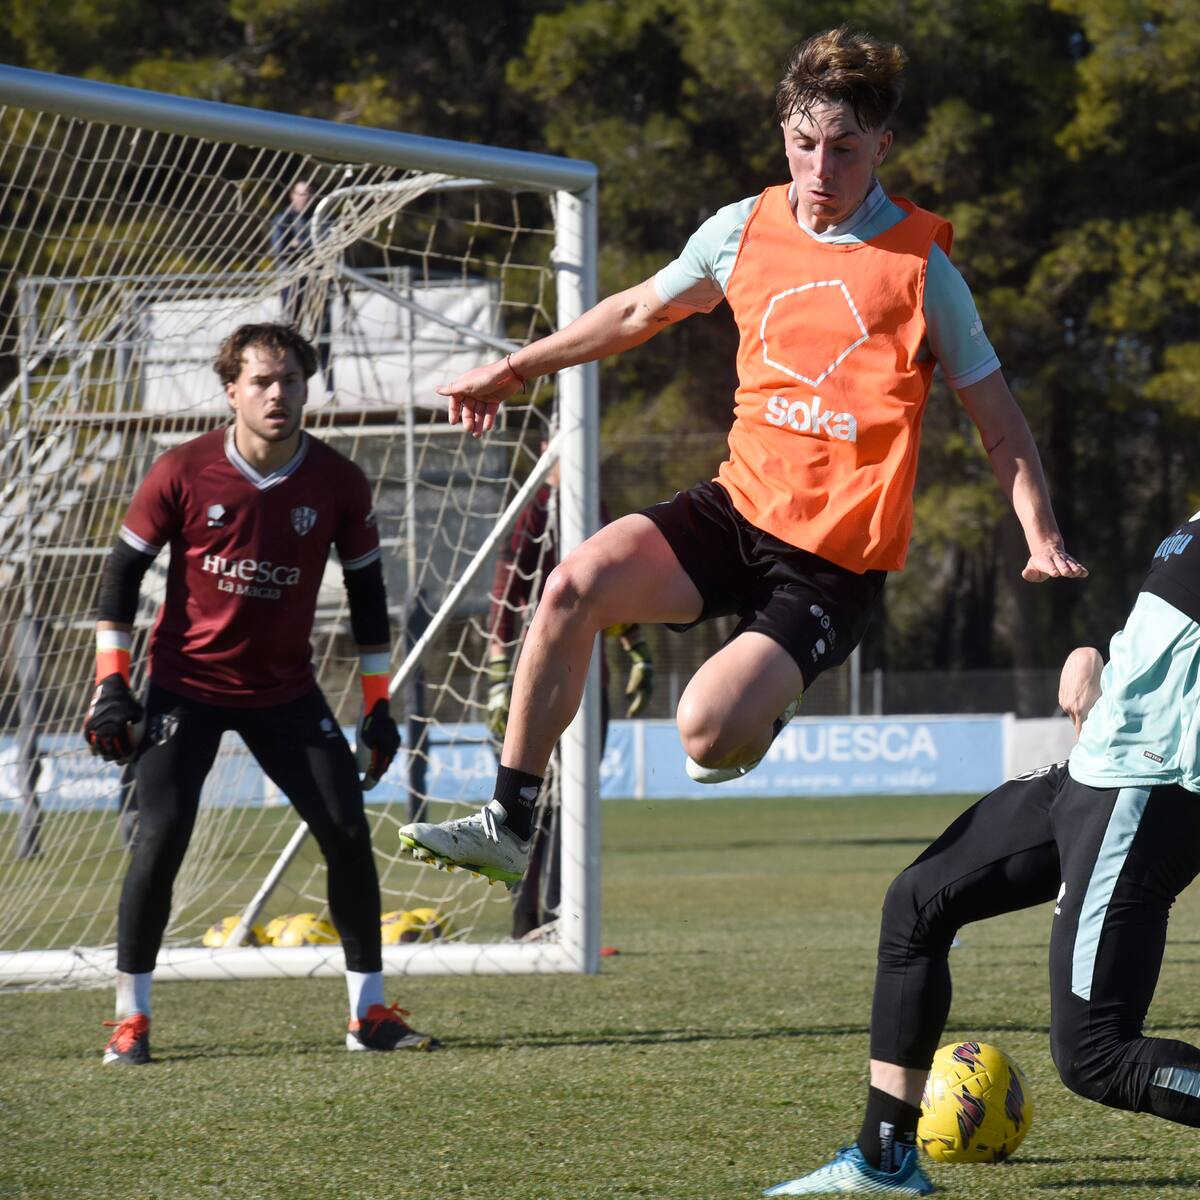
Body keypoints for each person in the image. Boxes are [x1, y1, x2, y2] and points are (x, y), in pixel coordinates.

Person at [397, 27, 1086, 885]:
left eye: (843, 148)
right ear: (783, 136)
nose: (820, 169)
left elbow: (1000, 419)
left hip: (831, 564)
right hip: (736, 508)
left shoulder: (921, 268)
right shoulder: (741, 229)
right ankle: (512, 816)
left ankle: (767, 705)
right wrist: (512, 368)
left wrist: (1040, 534)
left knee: (704, 735)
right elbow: (633, 314)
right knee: (572, 586)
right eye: (804, 144)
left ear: (882, 146)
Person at [768, 510, 1200, 1195]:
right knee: (916, 905)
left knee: (1096, 1055)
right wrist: (1096, 658)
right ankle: (884, 1164)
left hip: (1144, 788)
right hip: (1089, 768)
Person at [84, 322, 435, 1064]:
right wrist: (111, 689)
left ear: (308, 388)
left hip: (285, 692)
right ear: (232, 390)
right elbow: (116, 582)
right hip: (186, 687)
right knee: (160, 838)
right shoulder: (181, 470)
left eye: (292, 382)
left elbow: (370, 601)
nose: (279, 394)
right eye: (263, 382)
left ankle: (369, 1014)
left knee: (345, 830)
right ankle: (131, 1019)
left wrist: (378, 705)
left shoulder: (338, 481)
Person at [485, 442, 653, 933]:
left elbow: (611, 589)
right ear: (547, 446)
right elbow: (505, 596)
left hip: (591, 682)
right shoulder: (532, 511)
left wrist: (636, 648)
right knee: (526, 800)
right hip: (535, 682)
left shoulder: (595, 507)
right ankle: (524, 917)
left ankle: (563, 917)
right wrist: (500, 684)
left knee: (571, 802)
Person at [270, 180, 334, 392]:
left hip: (318, 285)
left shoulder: (320, 218)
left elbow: (326, 248)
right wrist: (306, 248)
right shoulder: (282, 219)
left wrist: (300, 245)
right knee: (291, 339)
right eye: (301, 194)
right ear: (291, 195)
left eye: (308, 194)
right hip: (292, 285)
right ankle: (293, 387)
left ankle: (329, 390)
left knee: (323, 338)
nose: (304, 198)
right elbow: (282, 251)